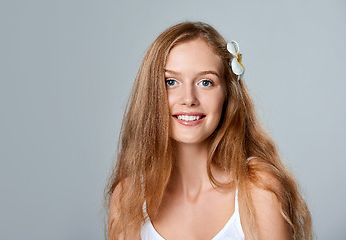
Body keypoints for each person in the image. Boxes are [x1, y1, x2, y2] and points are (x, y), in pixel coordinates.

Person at [105, 21, 313, 240]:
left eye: (205, 82)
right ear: (151, 92)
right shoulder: (127, 197)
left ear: (227, 94)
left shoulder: (259, 189)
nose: (189, 99)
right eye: (171, 82)